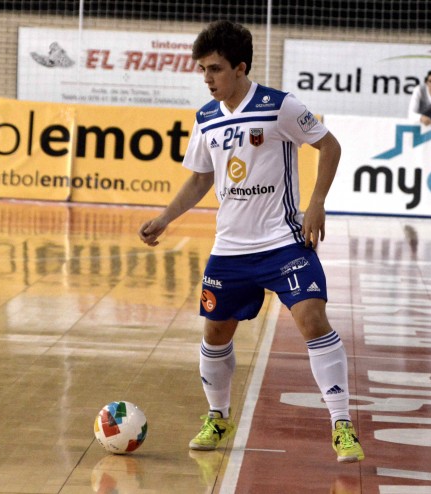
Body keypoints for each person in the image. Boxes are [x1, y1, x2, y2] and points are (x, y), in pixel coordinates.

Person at [137, 20, 364, 463]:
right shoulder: (206, 118)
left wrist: (316, 203)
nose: (207, 79)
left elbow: (330, 147)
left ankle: (341, 424)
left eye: (215, 69)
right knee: (215, 333)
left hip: (284, 242)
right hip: (231, 249)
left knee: (312, 320)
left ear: (240, 67)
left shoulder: (279, 106)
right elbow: (202, 177)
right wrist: (166, 217)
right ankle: (218, 417)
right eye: (202, 70)